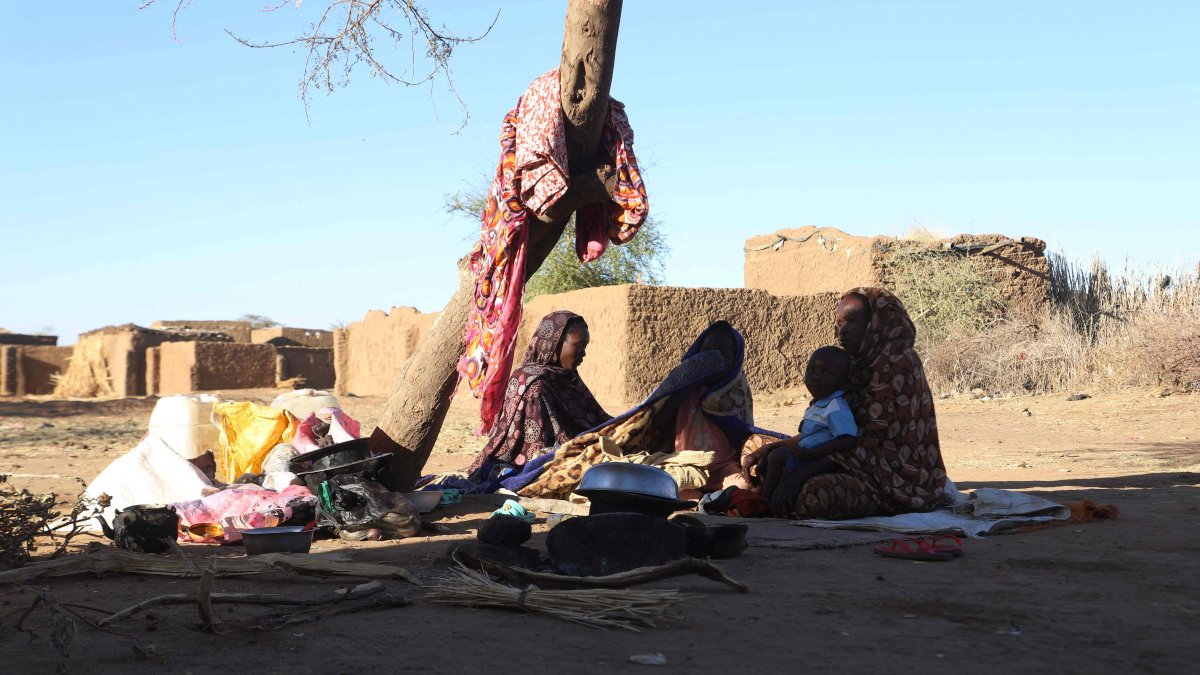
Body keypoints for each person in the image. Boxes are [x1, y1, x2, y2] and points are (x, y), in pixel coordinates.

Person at [517, 320, 784, 499]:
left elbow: (741, 431)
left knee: (743, 488)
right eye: (708, 351)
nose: (714, 359)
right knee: (661, 487)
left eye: (722, 354)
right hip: (681, 463)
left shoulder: (734, 390)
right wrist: (682, 385)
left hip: (721, 466)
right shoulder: (683, 387)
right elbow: (650, 418)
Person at [745, 288, 947, 519]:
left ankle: (776, 496)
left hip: (885, 479)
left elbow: (867, 443)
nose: (843, 331)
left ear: (875, 322)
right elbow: (829, 428)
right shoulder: (852, 365)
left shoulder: (898, 365)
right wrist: (772, 449)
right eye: (839, 323)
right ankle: (768, 497)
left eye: (852, 321)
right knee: (755, 446)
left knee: (817, 494)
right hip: (833, 460)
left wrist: (800, 474)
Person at [466, 310, 610, 478]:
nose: (583, 353)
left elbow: (594, 421)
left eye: (584, 347)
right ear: (554, 343)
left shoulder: (565, 378)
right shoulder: (533, 381)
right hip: (531, 464)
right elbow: (538, 449)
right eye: (578, 345)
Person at [747, 346, 858, 503]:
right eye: (811, 370)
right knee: (765, 450)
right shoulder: (820, 403)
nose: (816, 377)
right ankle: (760, 495)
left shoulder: (836, 407)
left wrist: (812, 454)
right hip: (804, 454)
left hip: (815, 461)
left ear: (843, 382)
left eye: (826, 373)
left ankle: (765, 500)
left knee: (778, 456)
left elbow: (847, 439)